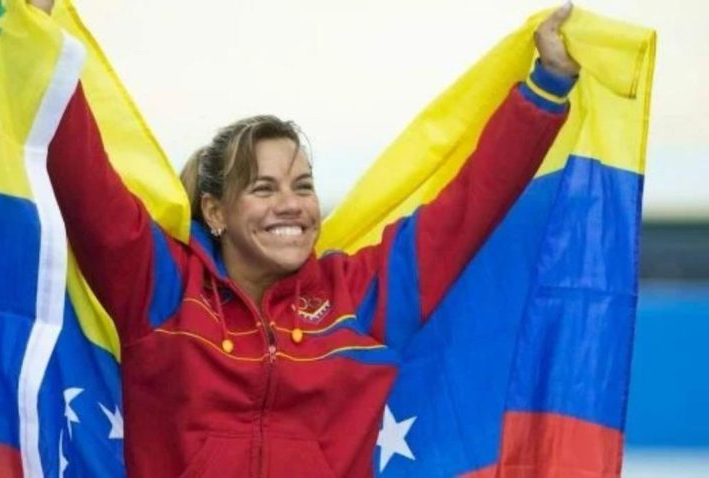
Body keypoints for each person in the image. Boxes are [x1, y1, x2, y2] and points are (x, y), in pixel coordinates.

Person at [34, 0, 580, 475]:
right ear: (215, 211)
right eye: (264, 188)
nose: (291, 204)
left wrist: (547, 86)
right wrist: (40, 37)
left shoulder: (364, 297)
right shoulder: (162, 289)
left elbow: (468, 208)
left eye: (303, 186)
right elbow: (85, 181)